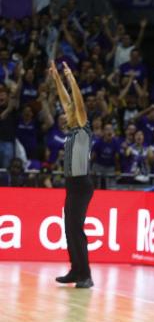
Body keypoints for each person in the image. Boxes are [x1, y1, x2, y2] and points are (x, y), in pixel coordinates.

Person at [51, 61, 95, 289]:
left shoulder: (83, 127)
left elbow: (76, 103)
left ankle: (86, 274)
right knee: (69, 228)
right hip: (71, 185)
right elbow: (66, 101)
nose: (66, 113)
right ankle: (76, 270)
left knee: (76, 228)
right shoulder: (71, 130)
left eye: (70, 112)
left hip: (82, 184)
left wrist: (70, 78)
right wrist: (57, 79)